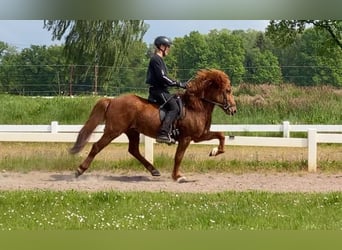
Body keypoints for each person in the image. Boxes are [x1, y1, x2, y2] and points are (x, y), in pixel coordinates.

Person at [146, 36, 187, 144]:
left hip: (162, 90)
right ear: (162, 47)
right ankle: (163, 133)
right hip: (158, 91)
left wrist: (178, 84)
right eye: (168, 47)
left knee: (178, 101)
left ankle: (172, 131)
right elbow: (162, 77)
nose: (169, 49)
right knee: (174, 107)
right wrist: (178, 83)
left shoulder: (160, 60)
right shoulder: (156, 59)